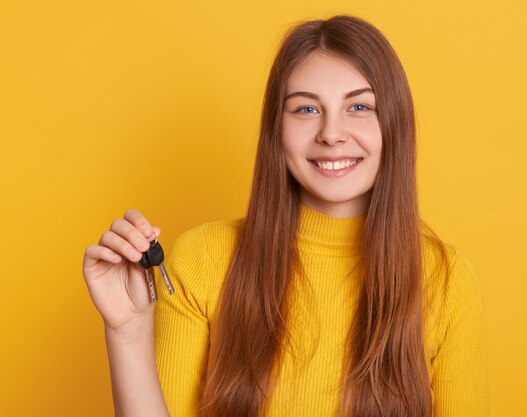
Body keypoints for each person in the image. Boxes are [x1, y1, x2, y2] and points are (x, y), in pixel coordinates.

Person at [82, 14, 488, 417]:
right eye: (307, 110)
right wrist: (128, 332)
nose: (332, 133)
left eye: (360, 106)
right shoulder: (201, 259)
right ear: (276, 128)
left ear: (394, 124)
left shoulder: (446, 280)